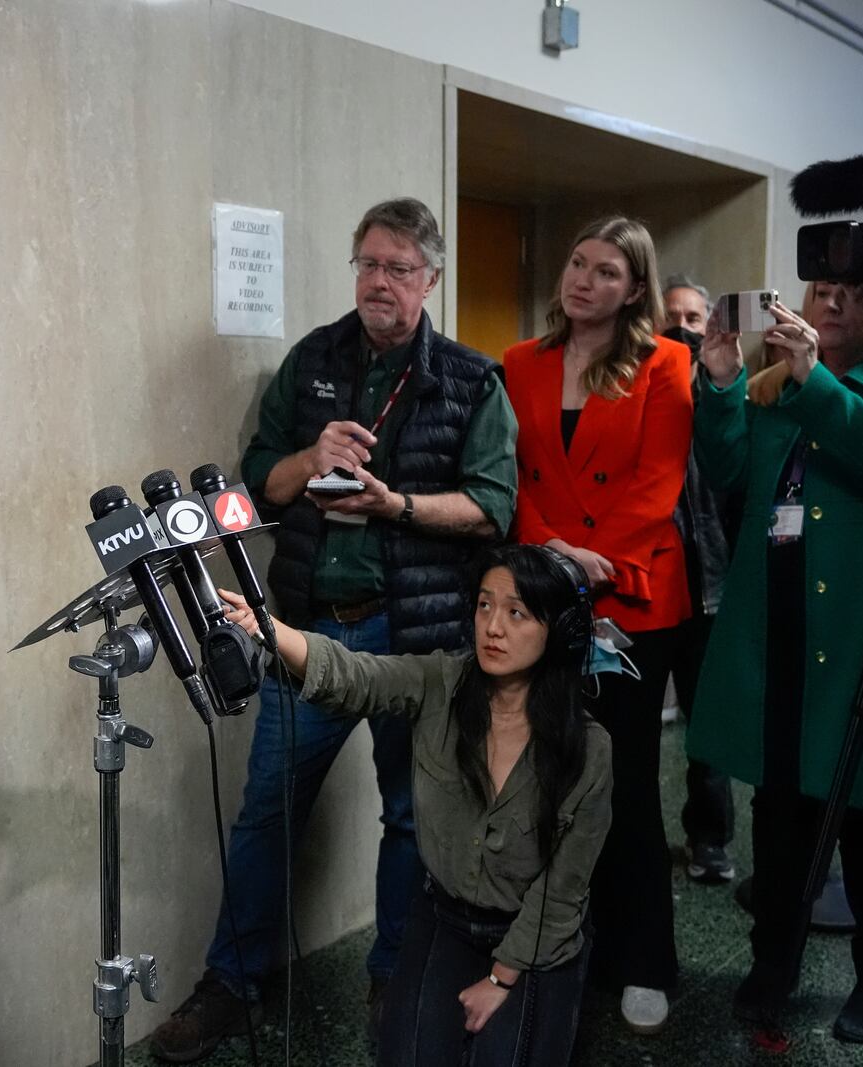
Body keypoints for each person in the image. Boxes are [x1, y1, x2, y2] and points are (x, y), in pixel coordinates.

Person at [149, 197, 519, 1062]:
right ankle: (230, 983)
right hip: (308, 627)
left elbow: (494, 507)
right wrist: (307, 461)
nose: (377, 282)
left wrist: (397, 504)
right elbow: (255, 486)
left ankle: (393, 976)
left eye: (397, 268)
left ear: (431, 277)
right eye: (365, 263)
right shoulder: (312, 358)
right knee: (266, 812)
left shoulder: (472, 379)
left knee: (409, 818)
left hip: (413, 637)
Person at [686, 281, 863, 1043]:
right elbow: (729, 470)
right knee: (779, 820)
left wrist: (815, 378)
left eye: (850, 293)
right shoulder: (771, 384)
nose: (832, 302)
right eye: (819, 290)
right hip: (777, 625)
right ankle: (773, 965)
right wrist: (719, 380)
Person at [217, 544, 610, 1066]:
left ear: (557, 630)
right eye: (485, 606)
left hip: (535, 935)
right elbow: (356, 674)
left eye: (516, 612)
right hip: (445, 919)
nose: (493, 627)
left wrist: (501, 977)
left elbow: (563, 892)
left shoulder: (588, 747)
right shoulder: (439, 683)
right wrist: (268, 627)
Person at [502, 217, 693, 1033]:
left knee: (626, 781)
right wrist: (551, 549)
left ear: (634, 288)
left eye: (606, 271)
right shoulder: (519, 363)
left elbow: (657, 484)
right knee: (548, 779)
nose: (583, 280)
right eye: (576, 263)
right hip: (545, 590)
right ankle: (557, 949)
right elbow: (509, 471)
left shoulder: (667, 362)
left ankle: (645, 958)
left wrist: (588, 558)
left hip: (631, 599)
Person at [660, 275, 739, 885]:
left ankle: (710, 839)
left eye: (693, 316)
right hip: (647, 586)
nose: (682, 327)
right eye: (672, 316)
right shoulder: (641, 384)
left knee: (708, 725)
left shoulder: (729, 390)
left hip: (709, 585)